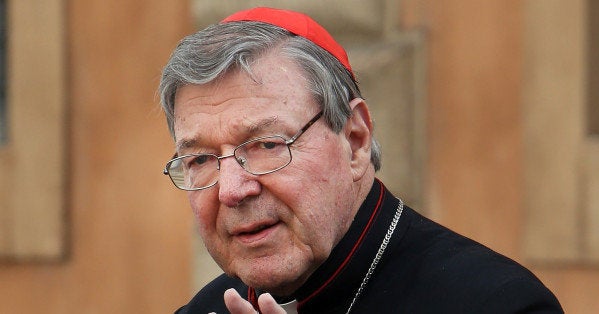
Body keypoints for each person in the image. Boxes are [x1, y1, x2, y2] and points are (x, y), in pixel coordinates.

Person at [159, 7, 563, 314]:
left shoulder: (499, 304)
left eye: (266, 144)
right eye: (200, 159)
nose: (231, 190)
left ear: (355, 140)